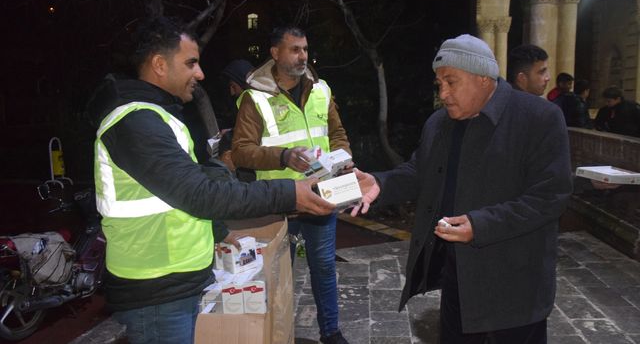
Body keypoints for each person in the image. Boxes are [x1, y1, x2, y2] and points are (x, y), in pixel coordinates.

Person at [90, 17, 335, 344]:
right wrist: (289, 192)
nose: (200, 73)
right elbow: (200, 193)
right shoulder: (135, 123)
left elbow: (180, 188)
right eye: (191, 63)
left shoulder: (159, 116)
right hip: (156, 286)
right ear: (160, 65)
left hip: (174, 280)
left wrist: (219, 231)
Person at [351, 34, 573, 343]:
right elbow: (419, 172)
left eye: (451, 82)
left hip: (516, 283)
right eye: (439, 83)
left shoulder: (539, 117)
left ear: (484, 79)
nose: (443, 93)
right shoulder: (439, 123)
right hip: (460, 277)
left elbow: (551, 196)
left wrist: (480, 225)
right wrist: (381, 183)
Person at [232, 26, 351, 344]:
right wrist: (283, 156)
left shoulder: (321, 90)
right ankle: (276, 334)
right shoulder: (254, 98)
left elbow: (337, 133)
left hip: (321, 194)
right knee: (274, 274)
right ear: (275, 53)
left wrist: (345, 157)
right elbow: (241, 151)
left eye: (305, 49)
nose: (303, 56)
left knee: (324, 266)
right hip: (278, 202)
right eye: (295, 49)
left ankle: (331, 332)